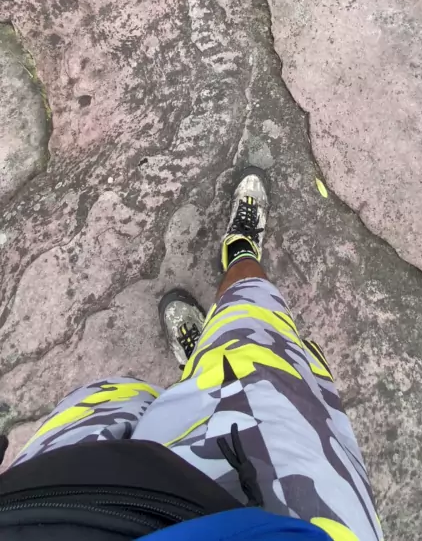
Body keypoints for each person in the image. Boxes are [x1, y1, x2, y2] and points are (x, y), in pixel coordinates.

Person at [0, 168, 382, 541]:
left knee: (118, 398)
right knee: (253, 335)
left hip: (41, 491)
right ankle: (239, 254)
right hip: (286, 507)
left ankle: (201, 362)